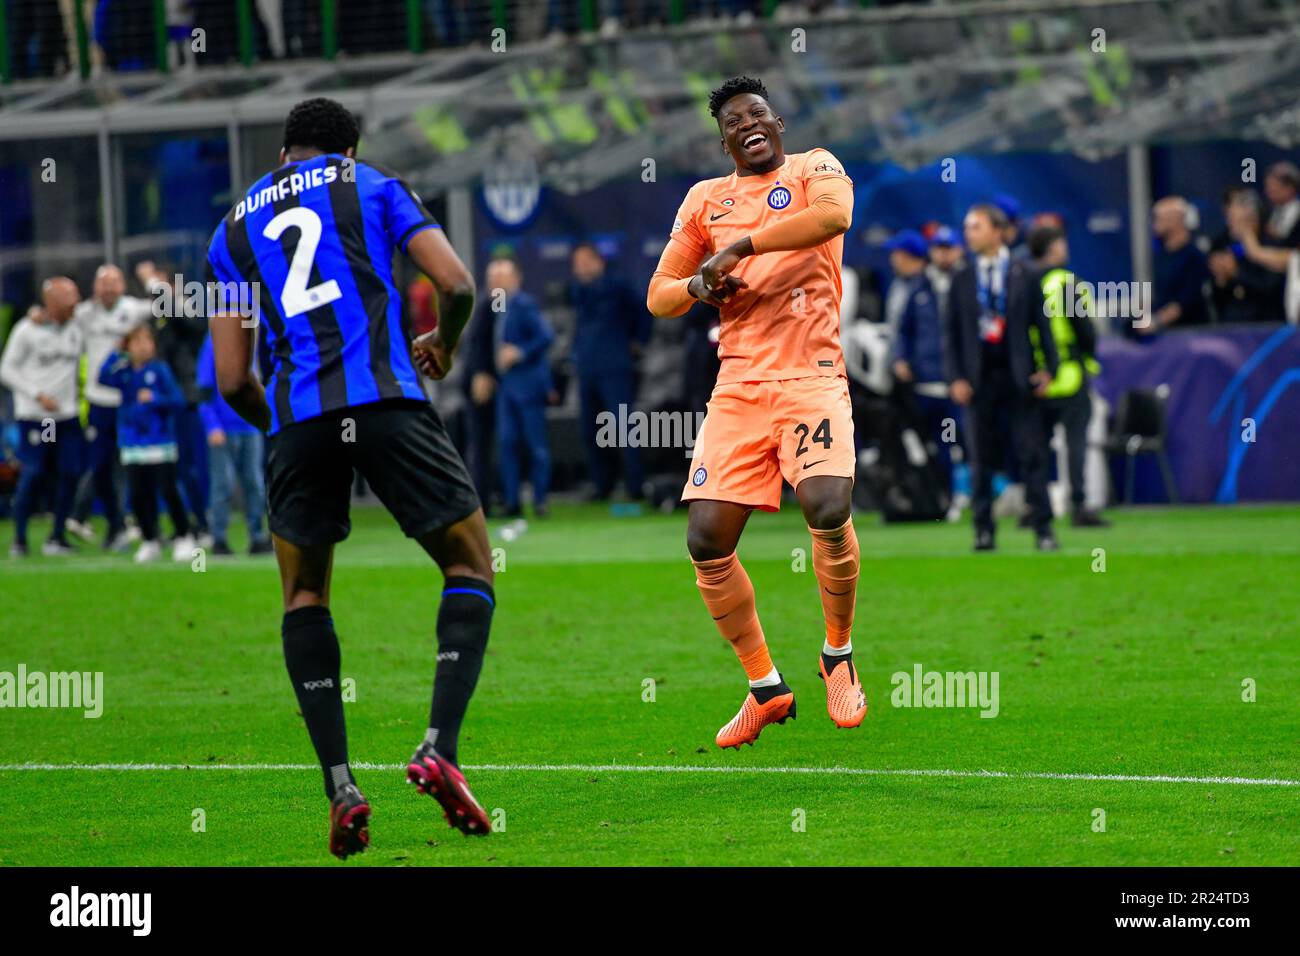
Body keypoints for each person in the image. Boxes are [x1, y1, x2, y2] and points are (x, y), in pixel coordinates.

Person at [207, 97, 496, 858]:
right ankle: (438, 747)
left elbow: (232, 376)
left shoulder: (230, 230)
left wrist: (281, 426)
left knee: (305, 595)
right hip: (386, 402)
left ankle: (340, 787)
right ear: (347, 148)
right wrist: (448, 342)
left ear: (283, 153)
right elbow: (459, 284)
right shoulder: (372, 185)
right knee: (469, 564)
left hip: (299, 421)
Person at [647, 75, 865, 747]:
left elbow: (835, 218)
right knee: (706, 542)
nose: (750, 123)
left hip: (812, 376)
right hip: (739, 386)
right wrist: (699, 281)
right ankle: (765, 687)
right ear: (724, 139)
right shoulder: (704, 199)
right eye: (736, 119)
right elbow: (659, 295)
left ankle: (837, 655)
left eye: (759, 113)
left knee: (827, 506)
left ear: (777, 124)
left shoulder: (814, 167)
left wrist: (742, 246)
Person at [945, 202, 1059, 551]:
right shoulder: (962, 278)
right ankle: (983, 530)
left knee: (1032, 454)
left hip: (1017, 377)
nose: (968, 234)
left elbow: (1043, 326)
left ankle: (1043, 529)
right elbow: (951, 333)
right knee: (980, 458)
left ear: (998, 231)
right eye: (966, 228)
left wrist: (1049, 369)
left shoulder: (1026, 273)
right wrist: (956, 377)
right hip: (979, 381)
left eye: (975, 227)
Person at [1026, 225, 1108, 528]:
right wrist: (1086, 355)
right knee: (1075, 443)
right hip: (1069, 373)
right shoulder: (1066, 282)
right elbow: (1084, 328)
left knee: (1036, 446)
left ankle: (1034, 506)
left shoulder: (1026, 281)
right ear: (1053, 247)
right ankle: (1079, 506)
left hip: (1037, 377)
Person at [69, 265, 152, 550]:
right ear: (95, 287)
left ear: (123, 286)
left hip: (128, 400)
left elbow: (172, 307)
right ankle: (110, 522)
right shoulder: (83, 314)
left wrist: (151, 280)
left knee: (129, 464)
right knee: (100, 465)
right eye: (103, 284)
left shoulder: (133, 309)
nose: (109, 289)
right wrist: (37, 315)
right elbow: (56, 317)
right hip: (97, 401)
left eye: (114, 283)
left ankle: (129, 523)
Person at [0, 278, 85, 558]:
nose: (75, 304)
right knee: (34, 472)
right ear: (52, 302)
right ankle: (20, 539)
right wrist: (37, 394)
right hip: (40, 419)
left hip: (66, 416)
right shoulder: (27, 330)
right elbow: (6, 370)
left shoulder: (77, 325)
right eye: (68, 299)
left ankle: (57, 536)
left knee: (70, 472)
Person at [98, 323, 195, 564]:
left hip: (160, 441)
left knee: (168, 490)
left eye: (147, 341)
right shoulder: (123, 371)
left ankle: (184, 536)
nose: (143, 346)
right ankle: (150, 538)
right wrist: (115, 351)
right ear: (128, 346)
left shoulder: (160, 370)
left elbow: (178, 400)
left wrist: (155, 398)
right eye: (136, 341)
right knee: (139, 494)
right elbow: (102, 377)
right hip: (132, 442)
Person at [568, 241, 651, 501]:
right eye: (576, 264)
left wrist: (638, 341)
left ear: (598, 261)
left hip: (615, 366)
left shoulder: (618, 285)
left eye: (584, 262)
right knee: (590, 430)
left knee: (624, 427)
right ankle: (602, 485)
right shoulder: (577, 292)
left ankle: (635, 485)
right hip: (587, 368)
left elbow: (644, 312)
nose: (580, 269)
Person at [888, 229, 958, 488]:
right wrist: (901, 358)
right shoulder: (919, 288)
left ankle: (963, 490)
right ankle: (939, 493)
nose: (942, 253)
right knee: (931, 439)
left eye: (947, 247)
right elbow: (905, 329)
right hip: (925, 378)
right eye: (938, 247)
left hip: (957, 380)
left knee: (955, 438)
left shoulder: (964, 282)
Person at [490, 257, 555, 518]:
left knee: (536, 446)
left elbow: (546, 337)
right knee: (507, 444)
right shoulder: (497, 307)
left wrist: (519, 352)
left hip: (528, 386)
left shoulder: (524, 304)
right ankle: (512, 501)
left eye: (501, 276)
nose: (495, 281)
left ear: (516, 278)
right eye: (493, 276)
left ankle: (540, 501)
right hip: (506, 387)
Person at [196, 332, 271, 556]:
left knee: (255, 484)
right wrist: (212, 425)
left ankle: (257, 537)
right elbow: (204, 387)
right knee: (223, 485)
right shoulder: (214, 340)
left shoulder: (255, 338)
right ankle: (219, 539)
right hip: (224, 427)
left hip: (250, 425)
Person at [1148, 196, 1210, 333]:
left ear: (1174, 220)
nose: (1154, 224)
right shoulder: (1160, 256)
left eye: (1158, 218)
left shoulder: (1194, 257)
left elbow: (1186, 301)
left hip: (1192, 335)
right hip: (1165, 336)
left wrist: (1156, 322)